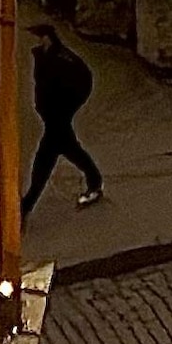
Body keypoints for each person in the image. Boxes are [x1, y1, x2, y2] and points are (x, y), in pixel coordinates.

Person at [24, 20, 105, 214]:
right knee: (70, 149)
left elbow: (84, 80)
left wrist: (67, 108)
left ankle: (27, 204)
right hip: (53, 116)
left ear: (47, 38)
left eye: (38, 37)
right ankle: (95, 181)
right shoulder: (44, 57)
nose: (36, 42)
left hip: (57, 117)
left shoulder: (62, 60)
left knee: (45, 159)